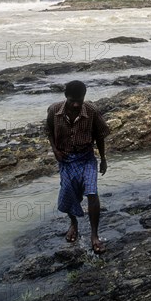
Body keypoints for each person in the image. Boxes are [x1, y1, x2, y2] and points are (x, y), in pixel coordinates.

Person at [46, 80, 110, 254]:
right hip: (66, 159)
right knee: (68, 192)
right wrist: (55, 151)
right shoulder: (54, 111)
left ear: (84, 97)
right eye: (72, 100)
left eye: (79, 100)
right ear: (66, 96)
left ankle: (94, 235)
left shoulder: (91, 111)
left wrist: (103, 159)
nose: (76, 104)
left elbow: (100, 136)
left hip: (86, 157)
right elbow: (49, 131)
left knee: (92, 192)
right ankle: (73, 223)